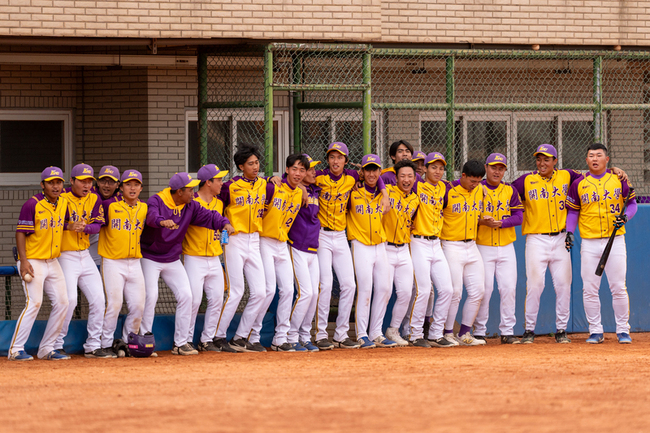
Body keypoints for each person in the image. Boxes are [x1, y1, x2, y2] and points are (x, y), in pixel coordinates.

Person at [140, 172, 233, 356]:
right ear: (179, 192)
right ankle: (145, 340)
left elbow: (209, 216)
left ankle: (181, 343)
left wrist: (224, 223)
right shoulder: (157, 200)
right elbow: (151, 217)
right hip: (150, 256)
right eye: (190, 189)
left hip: (172, 258)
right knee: (151, 296)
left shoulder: (190, 205)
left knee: (187, 296)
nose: (193, 193)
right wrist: (161, 221)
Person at [313, 142, 389, 350]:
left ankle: (341, 334)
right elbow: (301, 177)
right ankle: (320, 334)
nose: (335, 161)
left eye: (339, 157)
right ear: (327, 159)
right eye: (332, 157)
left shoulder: (352, 177)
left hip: (340, 236)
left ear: (346, 161)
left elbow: (376, 175)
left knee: (350, 285)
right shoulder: (319, 176)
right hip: (322, 235)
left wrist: (384, 191)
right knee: (326, 285)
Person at [566, 143, 636, 344]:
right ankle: (595, 330)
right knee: (589, 288)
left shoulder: (618, 179)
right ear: (586, 160)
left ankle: (623, 330)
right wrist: (570, 232)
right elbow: (573, 211)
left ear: (607, 160)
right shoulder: (579, 183)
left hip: (615, 240)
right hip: (589, 242)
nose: (595, 159)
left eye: (599, 155)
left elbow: (631, 204)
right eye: (591, 155)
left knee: (618, 287)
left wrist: (626, 217)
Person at [511, 144, 580, 344]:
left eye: (547, 159)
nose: (542, 163)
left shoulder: (567, 176)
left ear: (555, 161)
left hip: (560, 238)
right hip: (536, 238)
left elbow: (593, 177)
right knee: (535, 285)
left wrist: (614, 172)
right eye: (539, 159)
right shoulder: (527, 180)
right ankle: (529, 330)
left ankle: (561, 330)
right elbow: (504, 190)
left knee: (563, 285)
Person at [8, 167, 72, 361]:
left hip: (53, 261)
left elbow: (62, 223)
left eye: (58, 182)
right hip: (33, 260)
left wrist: (73, 226)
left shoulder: (62, 203)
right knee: (34, 303)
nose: (55, 186)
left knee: (63, 303)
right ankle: (15, 349)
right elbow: (21, 232)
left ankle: (47, 348)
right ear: (42, 185)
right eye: (51, 182)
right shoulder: (32, 204)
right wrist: (24, 260)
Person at [216, 143, 271, 352]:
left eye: (257, 162)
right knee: (236, 291)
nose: (255, 166)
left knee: (261, 291)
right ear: (241, 166)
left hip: (254, 240)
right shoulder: (229, 186)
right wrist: (222, 238)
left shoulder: (264, 184)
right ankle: (217, 336)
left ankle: (240, 337)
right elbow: (217, 210)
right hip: (235, 241)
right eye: (250, 164)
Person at [250, 154, 307, 352]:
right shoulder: (273, 186)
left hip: (282, 244)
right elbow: (256, 186)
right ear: (287, 169)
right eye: (294, 169)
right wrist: (268, 179)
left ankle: (280, 338)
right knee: (268, 291)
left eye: (302, 170)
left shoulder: (299, 193)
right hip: (265, 241)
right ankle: (253, 336)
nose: (298, 174)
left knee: (289, 290)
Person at [55, 164, 110, 358]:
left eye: (89, 181)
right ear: (72, 181)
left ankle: (93, 345)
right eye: (82, 181)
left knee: (99, 299)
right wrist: (69, 225)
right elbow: (51, 222)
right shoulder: (60, 197)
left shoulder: (94, 198)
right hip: (65, 255)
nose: (87, 185)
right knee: (69, 300)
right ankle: (56, 344)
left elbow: (98, 225)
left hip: (84, 254)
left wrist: (85, 228)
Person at [181, 164, 235, 352]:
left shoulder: (219, 203)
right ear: (207, 183)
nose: (222, 183)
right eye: (218, 180)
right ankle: (185, 340)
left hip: (214, 257)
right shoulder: (191, 201)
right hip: (193, 257)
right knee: (194, 300)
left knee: (217, 299)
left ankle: (207, 339)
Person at [406, 152, 455, 348]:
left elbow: (465, 184)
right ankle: (415, 334)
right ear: (424, 168)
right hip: (418, 241)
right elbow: (393, 175)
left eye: (441, 168)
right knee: (424, 289)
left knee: (447, 290)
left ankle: (435, 333)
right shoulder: (417, 184)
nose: (437, 171)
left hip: (437, 243)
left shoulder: (444, 187)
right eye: (433, 167)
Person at [473, 154, 523, 345]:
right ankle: (479, 330)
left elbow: (519, 216)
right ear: (486, 167)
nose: (497, 171)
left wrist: (502, 223)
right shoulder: (477, 188)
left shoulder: (509, 190)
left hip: (506, 246)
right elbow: (468, 214)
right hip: (483, 246)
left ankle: (508, 331)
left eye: (501, 168)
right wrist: (481, 221)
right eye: (494, 167)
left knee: (508, 288)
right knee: (485, 289)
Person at [348, 154, 396, 349]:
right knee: (365, 289)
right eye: (368, 169)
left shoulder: (385, 194)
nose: (371, 173)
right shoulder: (352, 191)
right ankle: (361, 334)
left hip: (380, 245)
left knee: (385, 289)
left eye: (375, 169)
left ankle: (376, 332)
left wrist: (383, 190)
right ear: (362, 172)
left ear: (379, 172)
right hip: (360, 244)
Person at [98, 170, 147, 356]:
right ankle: (105, 343)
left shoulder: (143, 208)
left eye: (136, 184)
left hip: (135, 263)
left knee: (138, 305)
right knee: (114, 304)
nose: (132, 188)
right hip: (112, 261)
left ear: (141, 188)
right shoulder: (108, 205)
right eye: (128, 184)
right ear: (121, 187)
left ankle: (129, 341)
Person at [441, 160, 486, 346]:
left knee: (478, 291)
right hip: (451, 245)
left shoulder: (479, 190)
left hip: (472, 245)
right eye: (472, 181)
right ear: (463, 176)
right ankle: (447, 332)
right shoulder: (448, 190)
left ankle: (465, 333)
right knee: (455, 292)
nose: (475, 184)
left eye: (478, 181)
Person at [382, 159, 420, 347]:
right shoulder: (387, 192)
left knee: (406, 292)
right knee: (385, 292)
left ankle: (393, 330)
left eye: (410, 176)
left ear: (415, 178)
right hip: (386, 248)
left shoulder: (415, 199)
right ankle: (373, 333)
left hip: (404, 248)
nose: (406, 180)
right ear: (395, 178)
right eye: (402, 176)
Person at [287, 155, 322, 352]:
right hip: (297, 246)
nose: (312, 172)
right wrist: (300, 188)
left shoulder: (315, 188)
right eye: (309, 169)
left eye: (308, 169)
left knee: (314, 293)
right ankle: (291, 336)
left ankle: (304, 335)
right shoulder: (293, 188)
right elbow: (277, 181)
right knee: (305, 293)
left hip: (313, 248)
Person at [89, 165, 121, 266]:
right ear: (98, 182)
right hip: (85, 235)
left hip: (104, 237)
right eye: (103, 181)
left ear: (117, 185)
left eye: (111, 182)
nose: (106, 185)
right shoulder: (88, 194)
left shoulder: (120, 199)